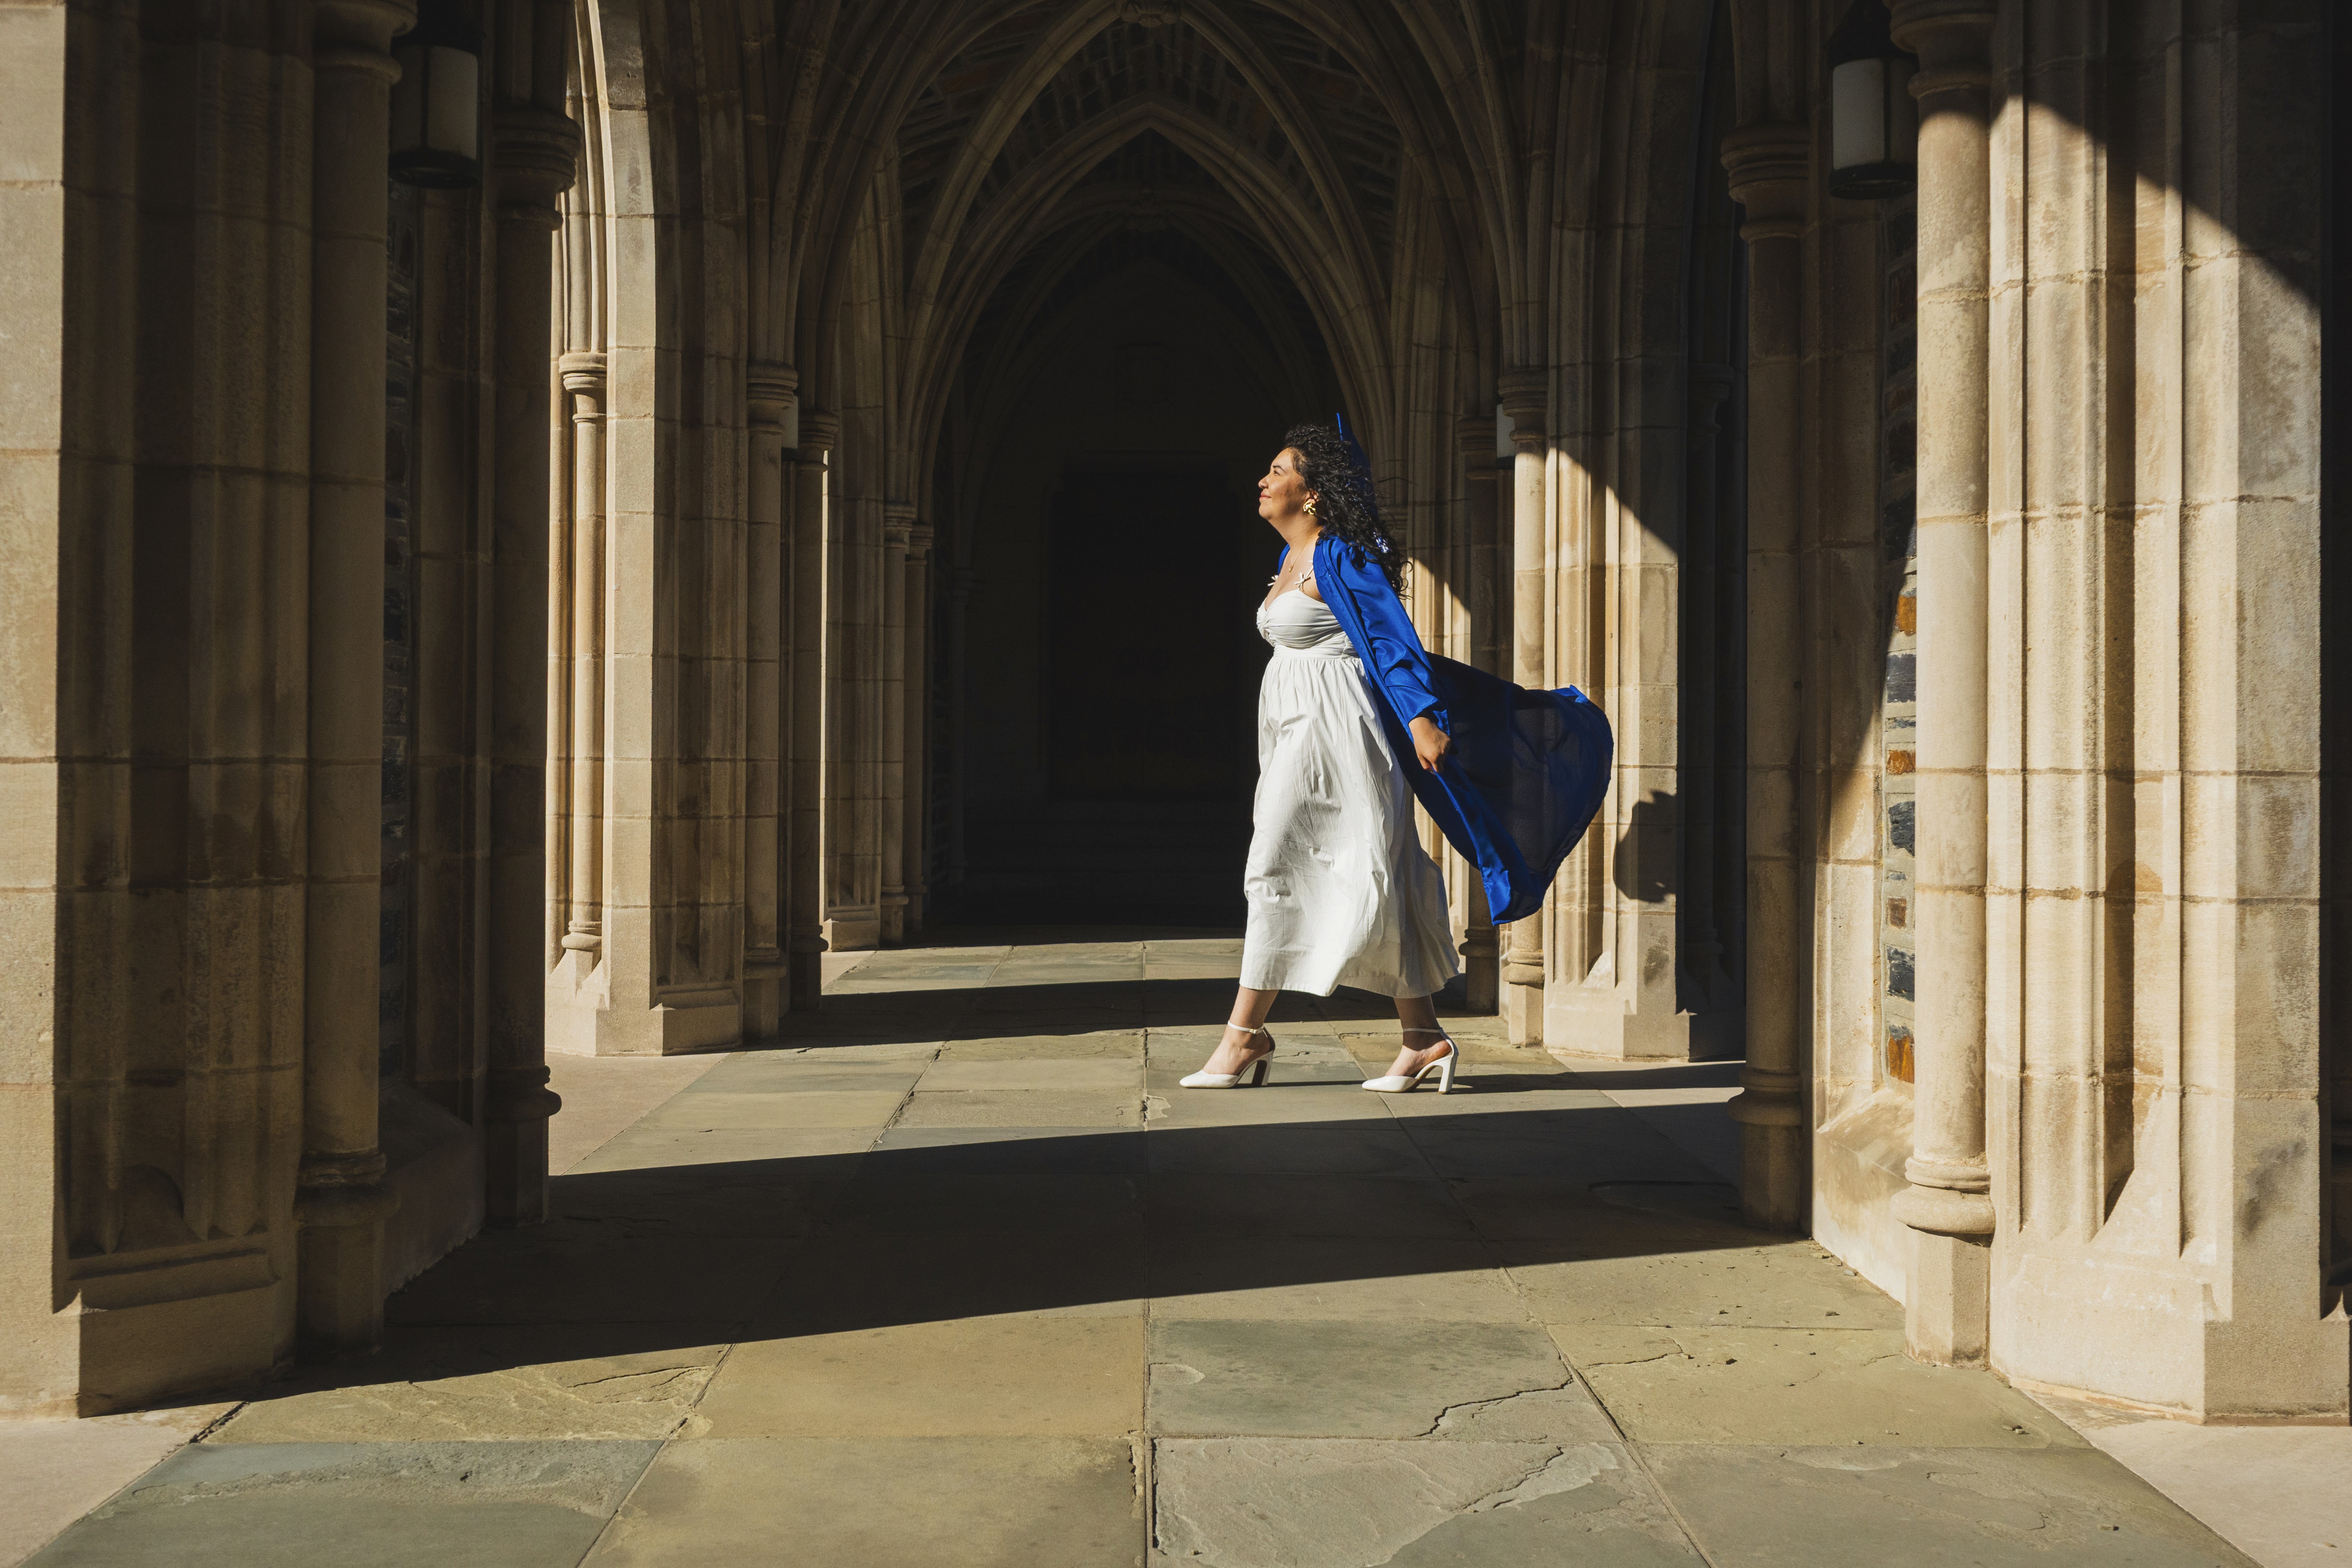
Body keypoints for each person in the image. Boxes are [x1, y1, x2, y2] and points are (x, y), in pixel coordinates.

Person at [1181, 422, 1466, 1095]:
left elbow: (1392, 638)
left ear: (1310, 495)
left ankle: (1242, 1037)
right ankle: (1423, 1038)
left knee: (1279, 865)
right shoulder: (1286, 563)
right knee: (1375, 872)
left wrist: (1423, 719)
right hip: (1295, 731)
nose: (1263, 480)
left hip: (1338, 733)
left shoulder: (1342, 556)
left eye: (1278, 470)